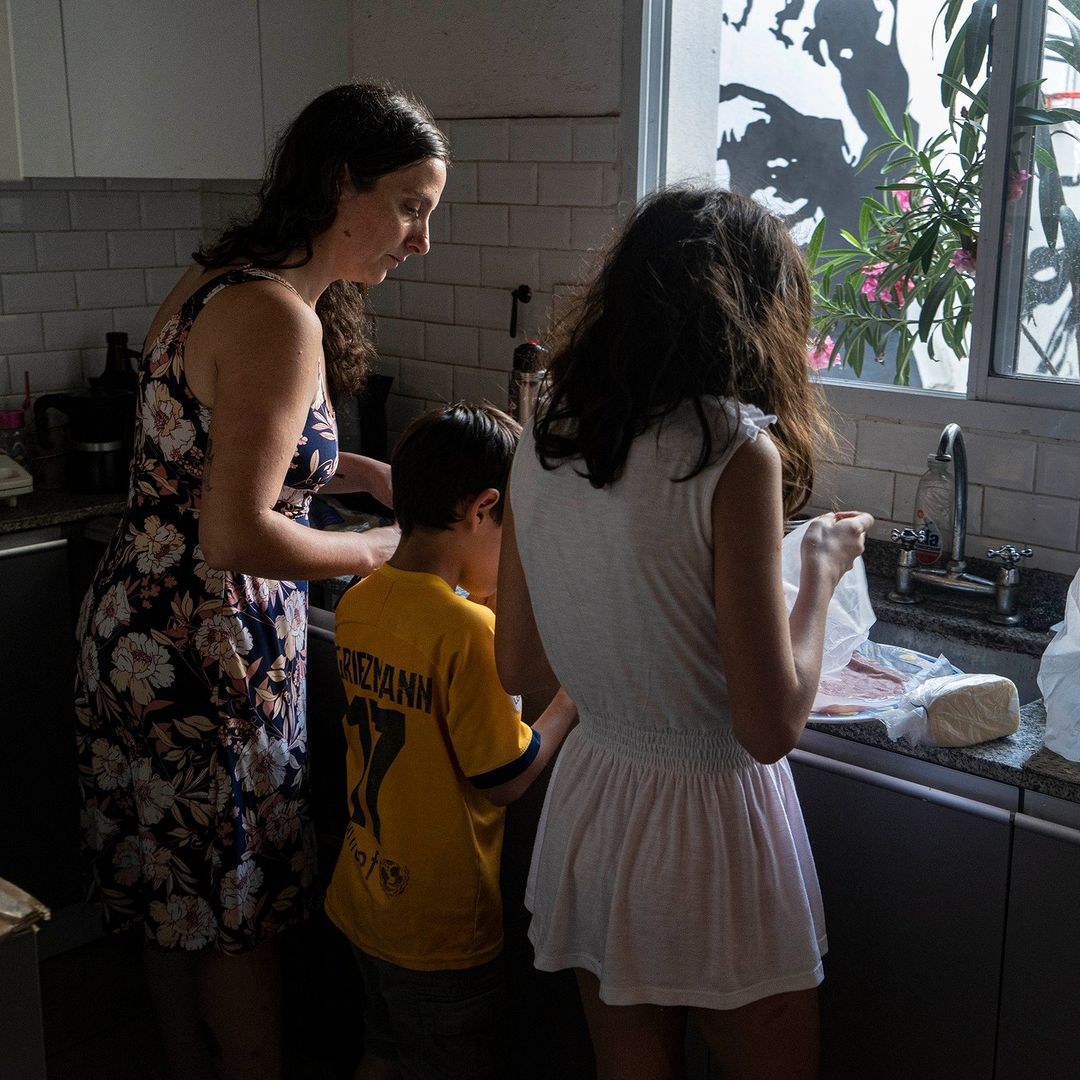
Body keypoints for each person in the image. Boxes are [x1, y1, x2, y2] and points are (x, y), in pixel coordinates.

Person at [73, 82, 449, 1080]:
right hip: (210, 656)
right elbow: (237, 532)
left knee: (174, 892)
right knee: (235, 918)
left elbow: (207, 445)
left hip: (138, 632)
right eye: (410, 207)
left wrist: (351, 471)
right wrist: (382, 549)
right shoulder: (281, 319)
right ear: (343, 185)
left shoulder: (221, 275)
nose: (421, 241)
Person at [495, 186, 875, 1080]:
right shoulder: (733, 449)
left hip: (596, 801)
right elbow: (769, 726)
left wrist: (625, 643)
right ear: (754, 316)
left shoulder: (546, 433)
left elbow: (519, 661)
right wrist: (820, 569)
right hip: (712, 822)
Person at [323, 403, 577, 1080]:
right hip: (440, 926)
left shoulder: (360, 599)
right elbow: (506, 775)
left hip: (365, 893)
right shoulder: (467, 632)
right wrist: (569, 701)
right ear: (484, 508)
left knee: (383, 1047)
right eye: (517, 531)